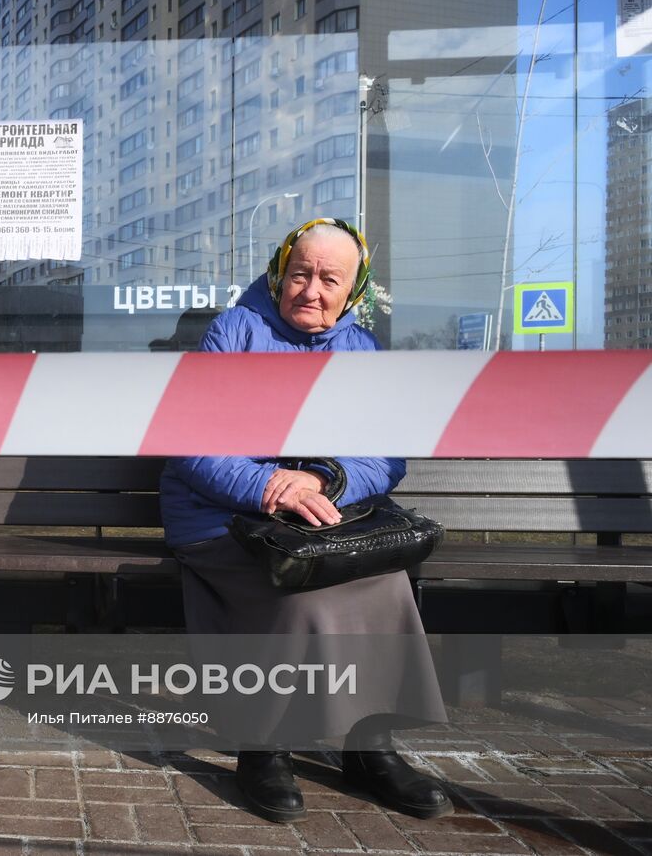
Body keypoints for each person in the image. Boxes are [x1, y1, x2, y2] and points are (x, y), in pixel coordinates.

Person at [160, 217, 452, 824]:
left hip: (320, 513)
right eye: (300, 274)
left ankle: (369, 746)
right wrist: (267, 486)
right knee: (298, 586)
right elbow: (188, 440)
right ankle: (263, 746)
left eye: (329, 280)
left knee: (384, 581)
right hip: (222, 517)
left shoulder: (362, 349)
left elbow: (387, 455)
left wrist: (324, 480)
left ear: (353, 291)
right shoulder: (233, 331)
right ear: (279, 273)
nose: (311, 291)